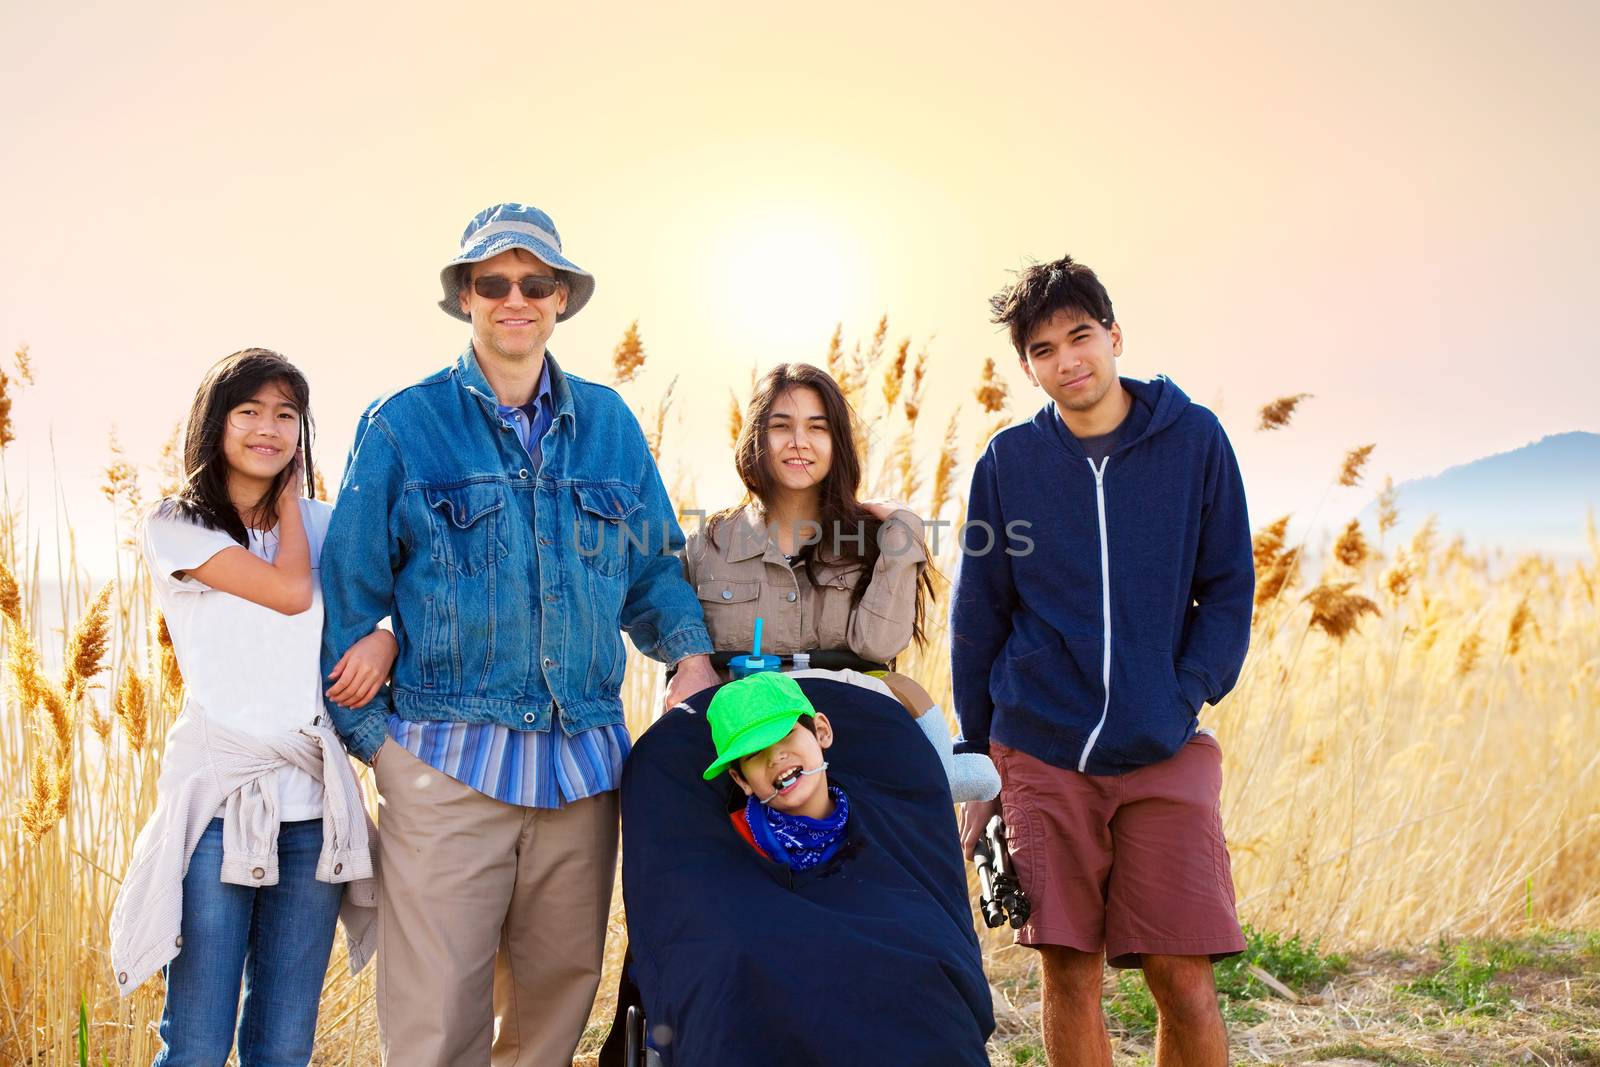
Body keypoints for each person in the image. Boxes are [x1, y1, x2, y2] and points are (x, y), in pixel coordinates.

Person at [318, 202, 718, 1066]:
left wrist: (690, 655)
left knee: (548, 1028)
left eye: (534, 282)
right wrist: (385, 752)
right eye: (493, 282)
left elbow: (651, 569)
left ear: (562, 299)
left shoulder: (609, 424)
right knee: (434, 1033)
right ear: (466, 295)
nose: (515, 298)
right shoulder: (401, 425)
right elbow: (348, 597)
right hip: (447, 774)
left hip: (582, 775)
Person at [952, 255, 1255, 1067]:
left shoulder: (1193, 440)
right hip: (1041, 747)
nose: (1067, 360)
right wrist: (978, 763)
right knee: (1069, 971)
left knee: (1183, 973)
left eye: (1080, 336)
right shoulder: (1006, 464)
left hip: (1163, 746)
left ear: (1114, 335)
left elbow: (1228, 585)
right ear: (1028, 366)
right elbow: (978, 614)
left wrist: (1185, 689)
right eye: (1044, 349)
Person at [109, 348, 395, 1066]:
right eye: (249, 411)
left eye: (286, 415)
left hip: (312, 814)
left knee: (283, 1041)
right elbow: (289, 591)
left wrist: (385, 644)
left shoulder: (331, 525)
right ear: (216, 422)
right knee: (198, 1040)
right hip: (217, 806)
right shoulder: (176, 524)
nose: (268, 429)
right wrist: (294, 500)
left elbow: (400, 607)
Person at [684, 362, 933, 677]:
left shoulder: (871, 541)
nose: (799, 441)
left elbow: (879, 646)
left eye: (817, 427)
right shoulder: (706, 548)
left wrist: (904, 528)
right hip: (737, 725)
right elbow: (678, 662)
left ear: (836, 442)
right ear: (756, 438)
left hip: (845, 722)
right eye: (781, 426)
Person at [704, 671, 846, 868]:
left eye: (786, 734)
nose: (775, 758)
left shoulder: (877, 820)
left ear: (821, 732)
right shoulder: (728, 843)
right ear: (741, 780)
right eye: (754, 753)